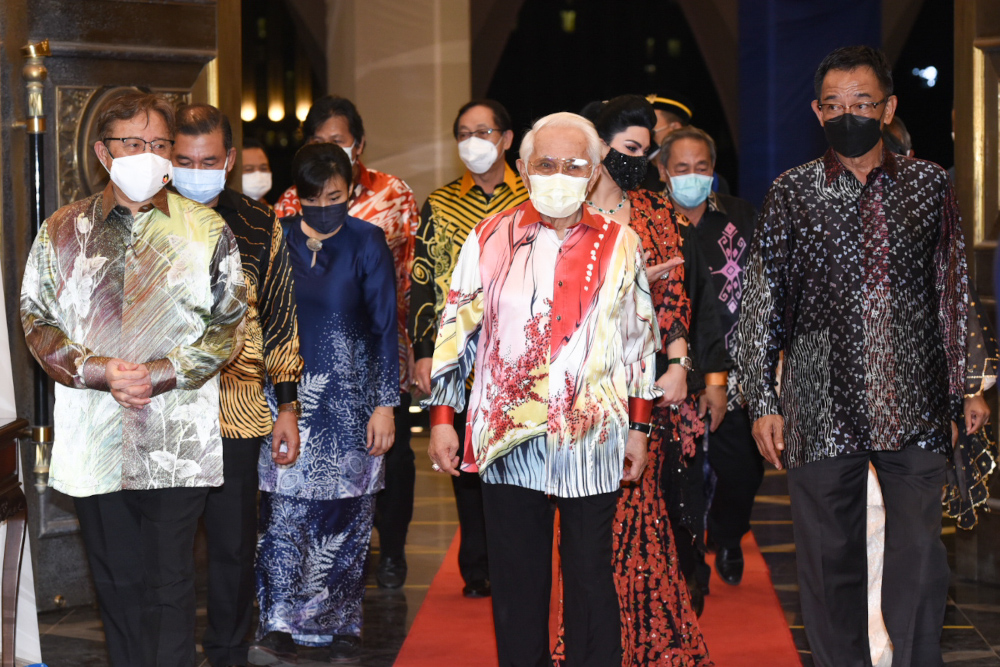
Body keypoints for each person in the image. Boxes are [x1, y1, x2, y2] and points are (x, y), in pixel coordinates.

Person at [737, 45, 989, 666]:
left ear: (889, 108)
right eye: (836, 104)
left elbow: (954, 288)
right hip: (820, 398)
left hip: (916, 393)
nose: (849, 114)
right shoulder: (791, 192)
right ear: (818, 113)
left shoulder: (930, 185)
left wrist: (971, 383)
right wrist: (762, 401)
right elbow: (761, 302)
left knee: (921, 559)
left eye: (863, 103)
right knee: (828, 562)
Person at [20, 91, 247, 666]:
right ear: (103, 152)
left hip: (177, 435)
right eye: (133, 144)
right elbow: (35, 321)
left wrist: (162, 373)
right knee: (117, 583)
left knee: (170, 583)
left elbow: (228, 329)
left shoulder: (207, 230)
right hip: (97, 434)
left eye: (159, 145)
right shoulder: (61, 232)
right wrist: (98, 371)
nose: (148, 155)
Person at [427, 111, 661, 667]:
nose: (559, 175)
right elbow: (455, 332)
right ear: (526, 168)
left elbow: (640, 343)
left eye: (574, 165)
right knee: (517, 583)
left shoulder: (621, 244)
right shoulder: (488, 237)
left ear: (596, 169)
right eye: (546, 164)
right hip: (509, 437)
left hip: (594, 435)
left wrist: (641, 427)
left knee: (589, 578)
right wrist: (442, 420)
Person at [560, 94, 709, 664]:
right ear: (596, 143)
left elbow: (674, 298)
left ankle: (645, 640)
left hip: (643, 387)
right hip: (580, 387)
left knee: (640, 515)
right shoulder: (565, 211)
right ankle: (592, 640)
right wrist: (624, 283)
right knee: (587, 527)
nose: (637, 161)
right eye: (628, 148)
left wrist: (679, 364)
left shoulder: (653, 211)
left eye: (646, 152)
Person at [250, 142, 399, 665]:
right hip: (286, 399)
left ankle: (341, 624)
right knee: (285, 513)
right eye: (312, 198)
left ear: (351, 191)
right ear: (297, 196)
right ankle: (278, 623)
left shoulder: (368, 241)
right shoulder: (276, 239)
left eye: (334, 196)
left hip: (351, 403)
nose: (323, 207)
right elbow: (261, 324)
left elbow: (384, 329)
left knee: (346, 513)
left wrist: (385, 405)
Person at [172, 104, 303, 667]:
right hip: (164, 415)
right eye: (182, 160)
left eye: (206, 160)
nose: (195, 170)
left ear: (227, 160)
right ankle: (170, 653)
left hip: (238, 412)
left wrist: (289, 407)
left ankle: (227, 652)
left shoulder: (257, 223)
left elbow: (280, 318)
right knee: (169, 550)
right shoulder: (149, 219)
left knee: (231, 546)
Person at [274, 96, 418, 589]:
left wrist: (388, 392)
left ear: (358, 143)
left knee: (377, 467)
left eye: (337, 140)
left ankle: (389, 553)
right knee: (294, 491)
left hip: (374, 346)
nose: (323, 207)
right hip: (302, 365)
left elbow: (403, 277)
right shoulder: (289, 212)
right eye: (319, 141)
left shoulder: (389, 197)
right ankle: (290, 605)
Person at [408, 99, 528, 597]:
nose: (473, 141)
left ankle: (518, 559)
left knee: (516, 459)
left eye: (484, 131)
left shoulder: (532, 197)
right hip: (459, 355)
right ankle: (478, 565)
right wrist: (422, 351)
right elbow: (420, 282)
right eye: (463, 131)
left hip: (521, 354)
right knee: (463, 462)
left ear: (506, 139)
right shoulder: (440, 203)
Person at [656, 126, 762, 588]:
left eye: (701, 168)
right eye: (681, 169)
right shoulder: (651, 222)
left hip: (735, 370)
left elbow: (764, 288)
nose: (692, 177)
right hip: (673, 368)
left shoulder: (740, 216)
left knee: (742, 470)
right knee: (682, 475)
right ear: (663, 172)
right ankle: (689, 566)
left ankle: (729, 532)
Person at [242, 137, 274, 204]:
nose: (258, 175)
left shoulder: (275, 212)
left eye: (263, 168)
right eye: (249, 169)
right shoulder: (220, 213)